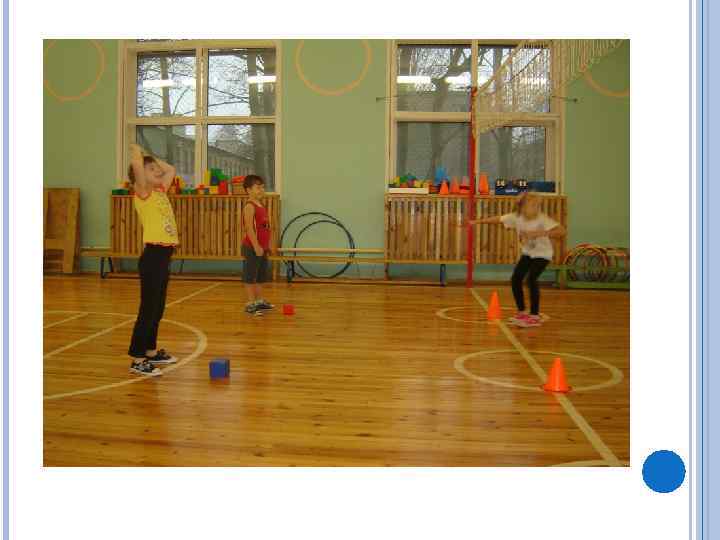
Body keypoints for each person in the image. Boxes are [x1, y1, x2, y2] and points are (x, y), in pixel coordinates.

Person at [467, 192, 565, 328]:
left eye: (537, 206)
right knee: (516, 279)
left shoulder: (542, 219)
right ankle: (522, 312)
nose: (536, 208)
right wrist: (477, 222)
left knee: (531, 279)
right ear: (523, 207)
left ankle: (534, 316)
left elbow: (561, 231)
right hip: (528, 253)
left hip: (543, 254)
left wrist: (540, 233)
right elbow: (498, 219)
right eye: (533, 205)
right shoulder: (516, 217)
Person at [126, 144, 179, 374]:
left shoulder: (159, 191)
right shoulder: (143, 191)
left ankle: (150, 351)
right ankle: (137, 359)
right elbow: (138, 166)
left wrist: (152, 157)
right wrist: (137, 152)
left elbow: (171, 170)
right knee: (148, 310)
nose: (158, 171)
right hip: (153, 257)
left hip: (164, 256)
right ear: (139, 177)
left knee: (157, 309)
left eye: (157, 169)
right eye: (152, 170)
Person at [242, 175, 274, 316]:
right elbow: (249, 228)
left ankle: (259, 301)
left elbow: (265, 228)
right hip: (252, 248)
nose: (261, 190)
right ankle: (250, 304)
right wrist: (256, 246)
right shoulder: (250, 206)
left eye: (262, 187)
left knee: (261, 276)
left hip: (262, 248)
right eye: (258, 187)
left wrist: (268, 245)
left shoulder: (261, 206)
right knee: (250, 276)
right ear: (248, 190)